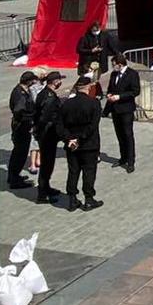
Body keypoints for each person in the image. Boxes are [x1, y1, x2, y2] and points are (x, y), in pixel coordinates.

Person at [57, 76, 104, 211]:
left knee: (73, 171)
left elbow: (60, 125)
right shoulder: (93, 103)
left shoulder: (66, 104)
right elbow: (93, 125)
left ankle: (72, 199)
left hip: (71, 144)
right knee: (89, 171)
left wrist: (69, 139)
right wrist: (80, 138)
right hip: (89, 144)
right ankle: (89, 199)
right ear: (88, 87)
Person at [33, 71, 66, 204]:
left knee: (48, 163)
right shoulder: (50, 97)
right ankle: (42, 194)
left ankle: (46, 187)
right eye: (59, 80)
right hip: (47, 135)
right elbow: (44, 118)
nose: (60, 83)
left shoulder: (44, 93)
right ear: (55, 82)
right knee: (47, 164)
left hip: (45, 134)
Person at [103, 53, 140, 171]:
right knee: (119, 134)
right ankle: (123, 157)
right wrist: (109, 94)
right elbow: (110, 88)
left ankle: (130, 161)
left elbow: (135, 91)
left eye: (114, 65)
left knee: (128, 135)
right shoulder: (114, 74)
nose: (113, 67)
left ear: (120, 64)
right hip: (115, 109)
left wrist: (119, 97)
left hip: (126, 109)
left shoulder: (132, 74)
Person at [6, 71, 40, 189]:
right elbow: (19, 111)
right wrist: (30, 118)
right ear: (29, 81)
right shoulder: (20, 93)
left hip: (22, 125)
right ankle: (15, 179)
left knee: (19, 152)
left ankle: (14, 175)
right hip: (21, 127)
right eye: (33, 80)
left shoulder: (23, 91)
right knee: (20, 153)